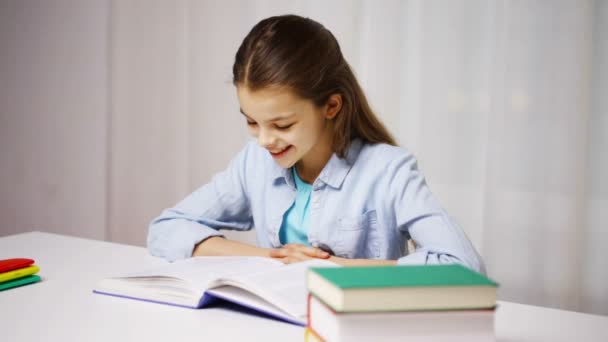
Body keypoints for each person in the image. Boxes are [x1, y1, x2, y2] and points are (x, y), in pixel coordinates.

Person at [147, 14, 485, 273]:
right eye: (251, 122)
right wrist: (271, 258)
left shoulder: (389, 170)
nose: (264, 140)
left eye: (282, 124)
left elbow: (463, 266)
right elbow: (166, 229)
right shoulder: (255, 161)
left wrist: (326, 267)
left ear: (331, 106)